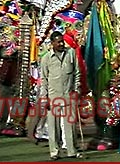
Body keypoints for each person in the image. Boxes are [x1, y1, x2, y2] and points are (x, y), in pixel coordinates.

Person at [40, 31, 81, 160]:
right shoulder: (46, 58)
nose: (61, 44)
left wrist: (76, 90)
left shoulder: (71, 54)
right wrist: (44, 98)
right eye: (58, 42)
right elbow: (44, 80)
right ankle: (54, 152)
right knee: (54, 127)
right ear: (52, 43)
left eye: (62, 41)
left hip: (68, 95)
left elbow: (77, 74)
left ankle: (72, 151)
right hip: (53, 97)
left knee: (70, 125)